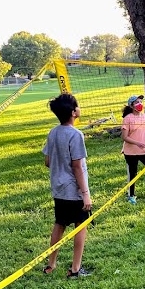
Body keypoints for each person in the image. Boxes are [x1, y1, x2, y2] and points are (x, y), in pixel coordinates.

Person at [42, 93, 92, 278]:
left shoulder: (52, 132)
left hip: (58, 188)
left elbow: (47, 161)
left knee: (60, 223)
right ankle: (75, 269)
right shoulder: (76, 134)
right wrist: (85, 193)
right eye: (77, 106)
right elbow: (77, 166)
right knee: (81, 225)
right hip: (74, 190)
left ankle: (51, 264)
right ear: (73, 112)